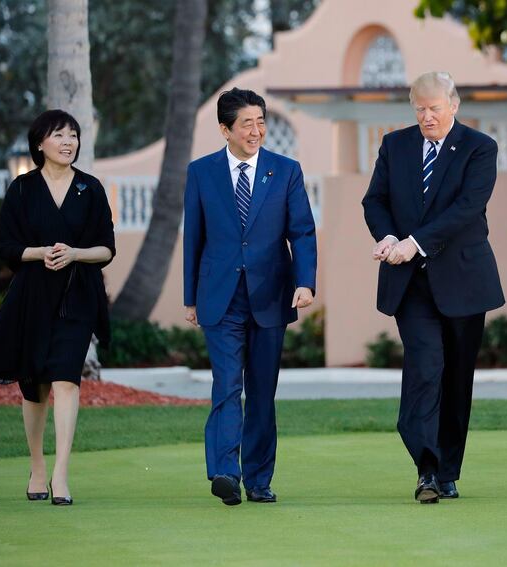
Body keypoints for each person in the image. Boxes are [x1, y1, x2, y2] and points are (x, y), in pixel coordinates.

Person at [362, 72, 503, 503]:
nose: (426, 116)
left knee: (457, 379)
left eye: (434, 108)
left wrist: (414, 242)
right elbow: (375, 201)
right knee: (425, 368)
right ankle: (426, 469)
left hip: (463, 280)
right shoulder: (395, 145)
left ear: (453, 106)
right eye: (419, 109)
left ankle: (447, 471)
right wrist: (387, 237)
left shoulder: (481, 148)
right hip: (411, 285)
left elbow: (467, 209)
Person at [0, 110, 116, 506]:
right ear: (39, 144)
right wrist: (38, 253)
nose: (68, 142)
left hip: (77, 296)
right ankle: (37, 464)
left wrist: (74, 254)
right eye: (59, 135)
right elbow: (5, 247)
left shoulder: (91, 188)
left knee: (68, 379)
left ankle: (61, 473)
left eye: (73, 135)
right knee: (34, 387)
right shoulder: (22, 190)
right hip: (32, 297)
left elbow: (106, 248)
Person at [183, 88, 317, 506]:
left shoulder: (286, 171)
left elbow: (302, 232)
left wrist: (305, 281)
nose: (257, 130)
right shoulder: (201, 173)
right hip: (219, 297)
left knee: (261, 390)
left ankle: (259, 479)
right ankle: (225, 472)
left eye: (261, 122)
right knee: (226, 385)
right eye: (247, 124)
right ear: (225, 130)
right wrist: (190, 297)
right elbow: (194, 238)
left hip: (271, 295)